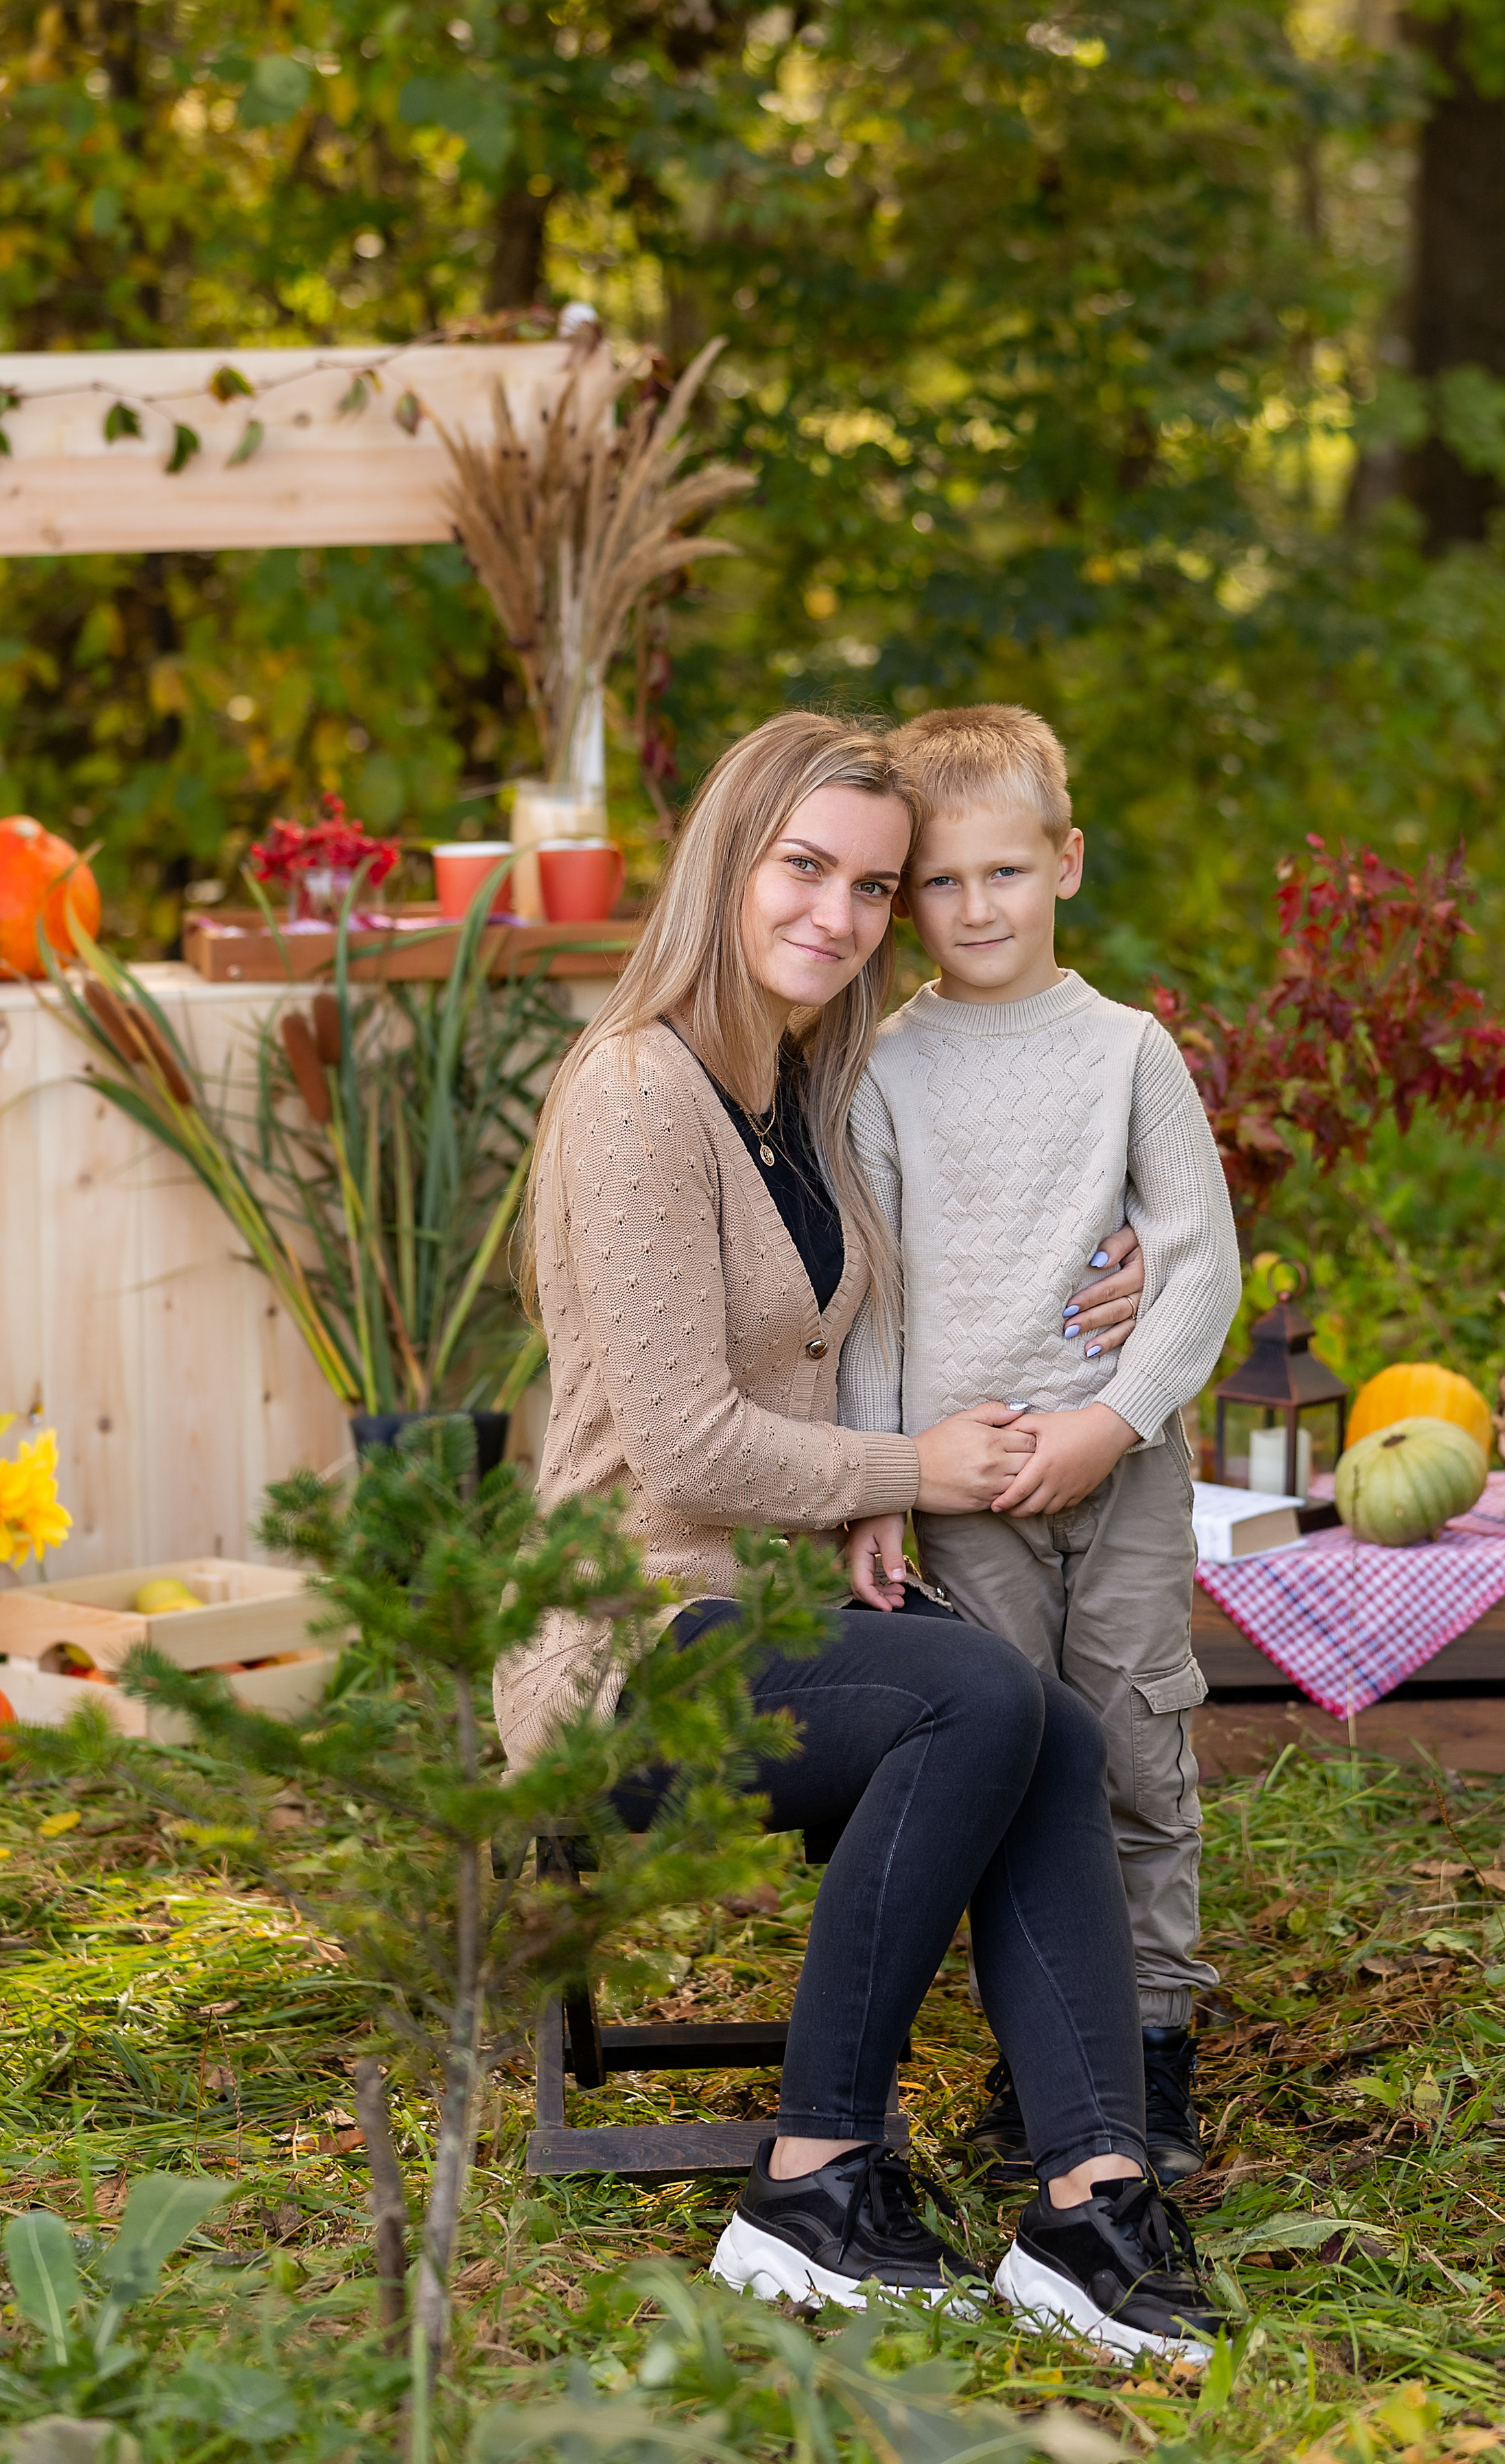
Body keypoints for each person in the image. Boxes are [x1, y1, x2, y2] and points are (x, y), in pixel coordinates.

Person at [497, 711, 1222, 2354]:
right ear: (727, 863)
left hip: (760, 1624)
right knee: (976, 1693)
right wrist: (916, 1473)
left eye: (870, 887)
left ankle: (1090, 2205)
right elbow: (682, 1437)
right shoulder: (635, 1093)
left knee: (1033, 1716)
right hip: (623, 1648)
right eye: (802, 868)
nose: (837, 913)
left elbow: (975, 1225)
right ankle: (810, 2178)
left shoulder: (800, 1091)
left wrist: (1121, 1272)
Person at [839, 704, 1242, 2189]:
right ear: (907, 901)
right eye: (940, 883)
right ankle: (1043, 2065)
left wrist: (1107, 1420)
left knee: (1135, 1743)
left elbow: (1196, 1262)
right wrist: (877, 1483)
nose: (974, 909)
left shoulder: (1127, 1053)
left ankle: (1148, 2054)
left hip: (1115, 1472)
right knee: (1018, 1765)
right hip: (969, 1490)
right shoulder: (884, 1068)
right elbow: (871, 1301)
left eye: (1004, 873)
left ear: (1064, 862)